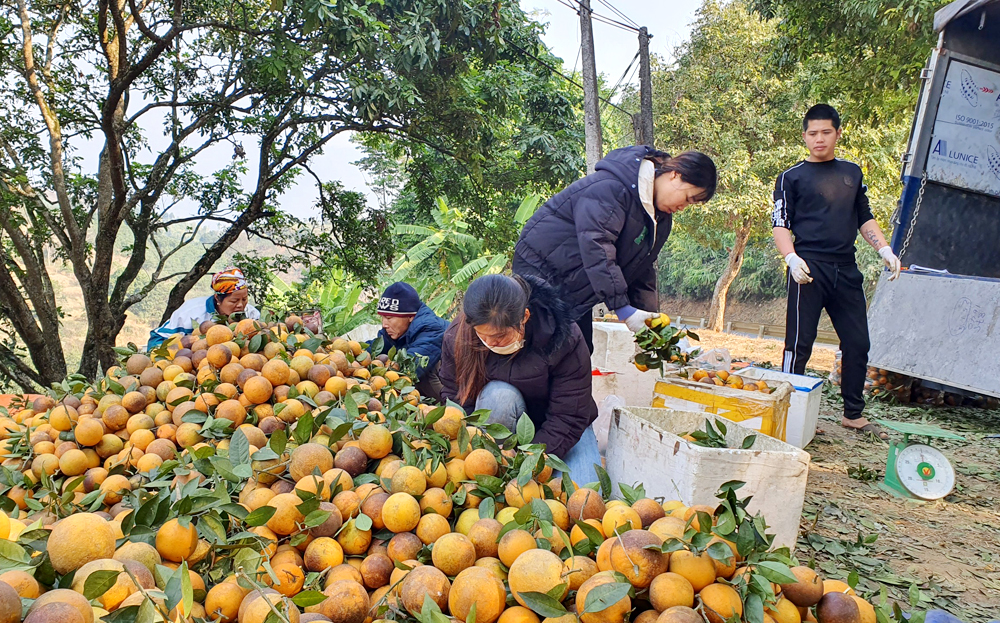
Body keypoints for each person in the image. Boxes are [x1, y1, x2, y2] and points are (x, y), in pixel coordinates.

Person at [772, 104, 901, 440]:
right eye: (812, 133)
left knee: (858, 342)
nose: (819, 139)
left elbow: (864, 216)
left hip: (846, 269)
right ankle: (784, 409)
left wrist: (884, 248)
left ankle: (853, 415)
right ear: (804, 136)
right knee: (799, 343)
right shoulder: (790, 177)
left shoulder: (851, 173)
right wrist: (791, 258)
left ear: (837, 133)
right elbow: (780, 224)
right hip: (808, 268)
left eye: (826, 132)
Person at [513, 145, 717, 352]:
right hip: (541, 272)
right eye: (688, 198)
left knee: (578, 352)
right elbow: (597, 246)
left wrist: (649, 326)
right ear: (675, 175)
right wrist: (623, 309)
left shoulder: (659, 219)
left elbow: (641, 269)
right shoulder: (611, 189)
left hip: (576, 284)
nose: (683, 207)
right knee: (541, 353)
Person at [438, 274, 601, 485]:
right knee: (498, 397)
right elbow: (455, 398)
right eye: (481, 335)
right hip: (500, 418)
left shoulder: (563, 336)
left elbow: (569, 415)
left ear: (524, 316)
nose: (490, 343)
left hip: (562, 425)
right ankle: (498, 463)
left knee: (583, 494)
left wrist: (527, 462)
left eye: (499, 336)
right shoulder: (458, 336)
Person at [147, 267, 260, 349]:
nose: (241, 305)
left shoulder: (251, 315)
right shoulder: (191, 312)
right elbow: (157, 338)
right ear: (217, 298)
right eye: (234, 301)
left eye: (244, 299)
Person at [372, 282, 449, 402]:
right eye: (382, 317)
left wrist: (373, 379)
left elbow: (410, 367)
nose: (384, 324)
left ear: (410, 316)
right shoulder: (395, 331)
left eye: (389, 318)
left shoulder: (430, 328)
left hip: (459, 389)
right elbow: (376, 347)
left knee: (423, 373)